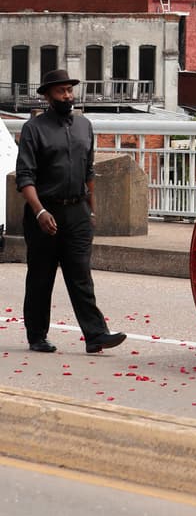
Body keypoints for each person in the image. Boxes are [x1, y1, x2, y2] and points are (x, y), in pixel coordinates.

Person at [14, 69, 127, 354]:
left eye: (69, 90)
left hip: (77, 212)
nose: (67, 96)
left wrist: (92, 211)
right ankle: (37, 336)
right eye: (61, 91)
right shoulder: (33, 129)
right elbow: (25, 176)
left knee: (80, 276)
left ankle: (95, 335)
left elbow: (89, 171)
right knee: (41, 277)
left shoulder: (84, 126)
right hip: (44, 212)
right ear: (48, 96)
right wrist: (39, 212)